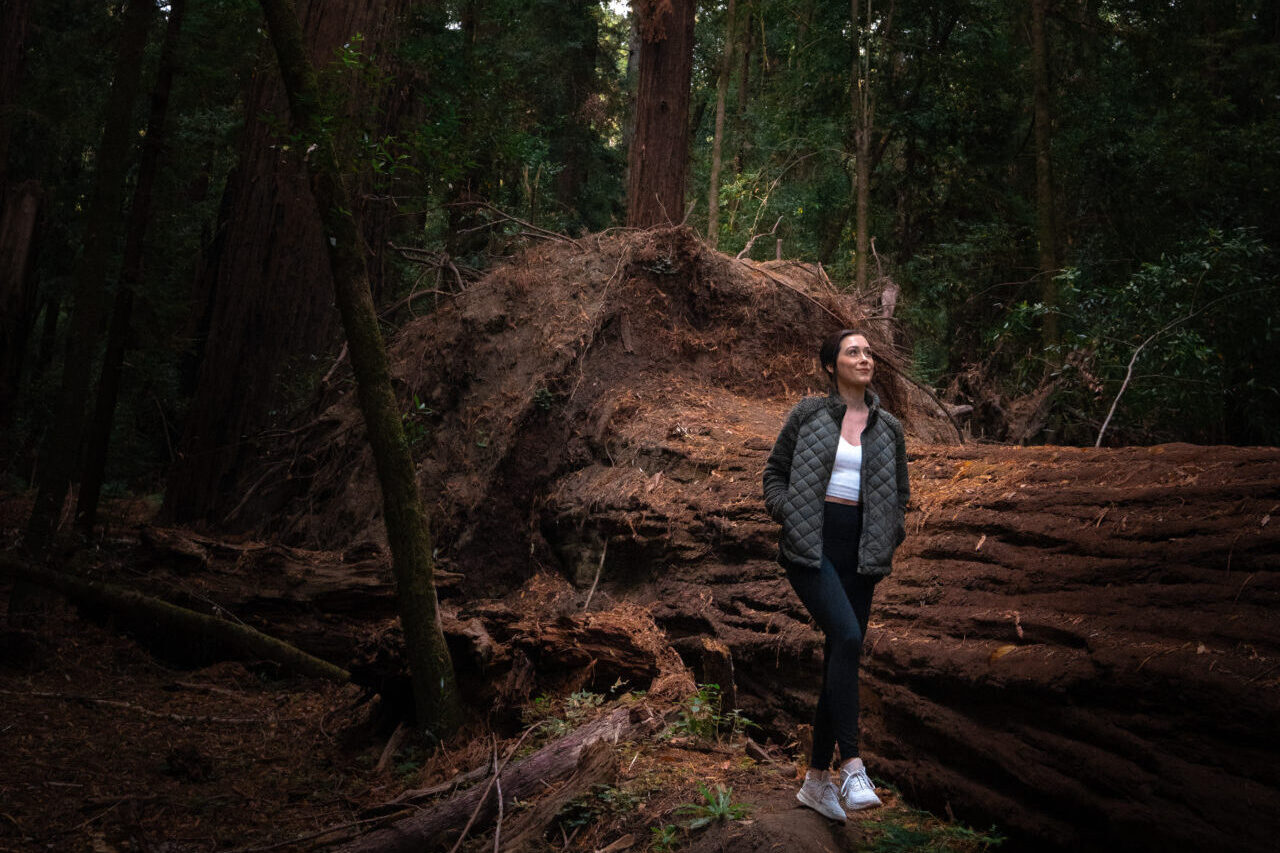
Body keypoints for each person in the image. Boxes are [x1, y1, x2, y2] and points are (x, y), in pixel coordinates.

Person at [762, 329, 910, 822]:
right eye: (853, 352)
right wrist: (791, 515)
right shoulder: (808, 414)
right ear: (832, 365)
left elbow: (901, 494)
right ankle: (851, 764)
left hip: (862, 555)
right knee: (847, 636)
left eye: (868, 352)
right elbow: (774, 473)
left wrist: (891, 532)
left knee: (839, 654)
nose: (864, 358)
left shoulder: (888, 428)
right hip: (811, 548)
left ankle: (814, 782)